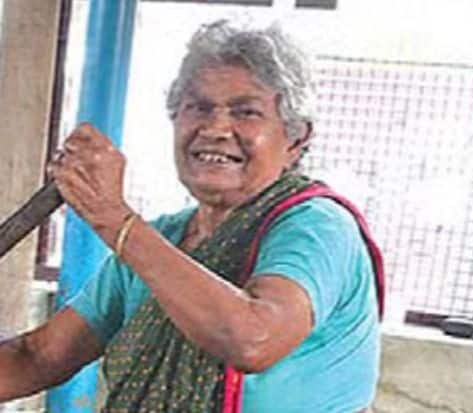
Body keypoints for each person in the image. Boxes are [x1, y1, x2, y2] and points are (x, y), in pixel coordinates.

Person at [0, 20, 384, 412]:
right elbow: (39, 357)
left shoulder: (318, 227)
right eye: (199, 107)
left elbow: (253, 339)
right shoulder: (159, 240)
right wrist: (120, 226)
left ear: (296, 138)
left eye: (246, 112)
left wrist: (115, 220)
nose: (216, 128)